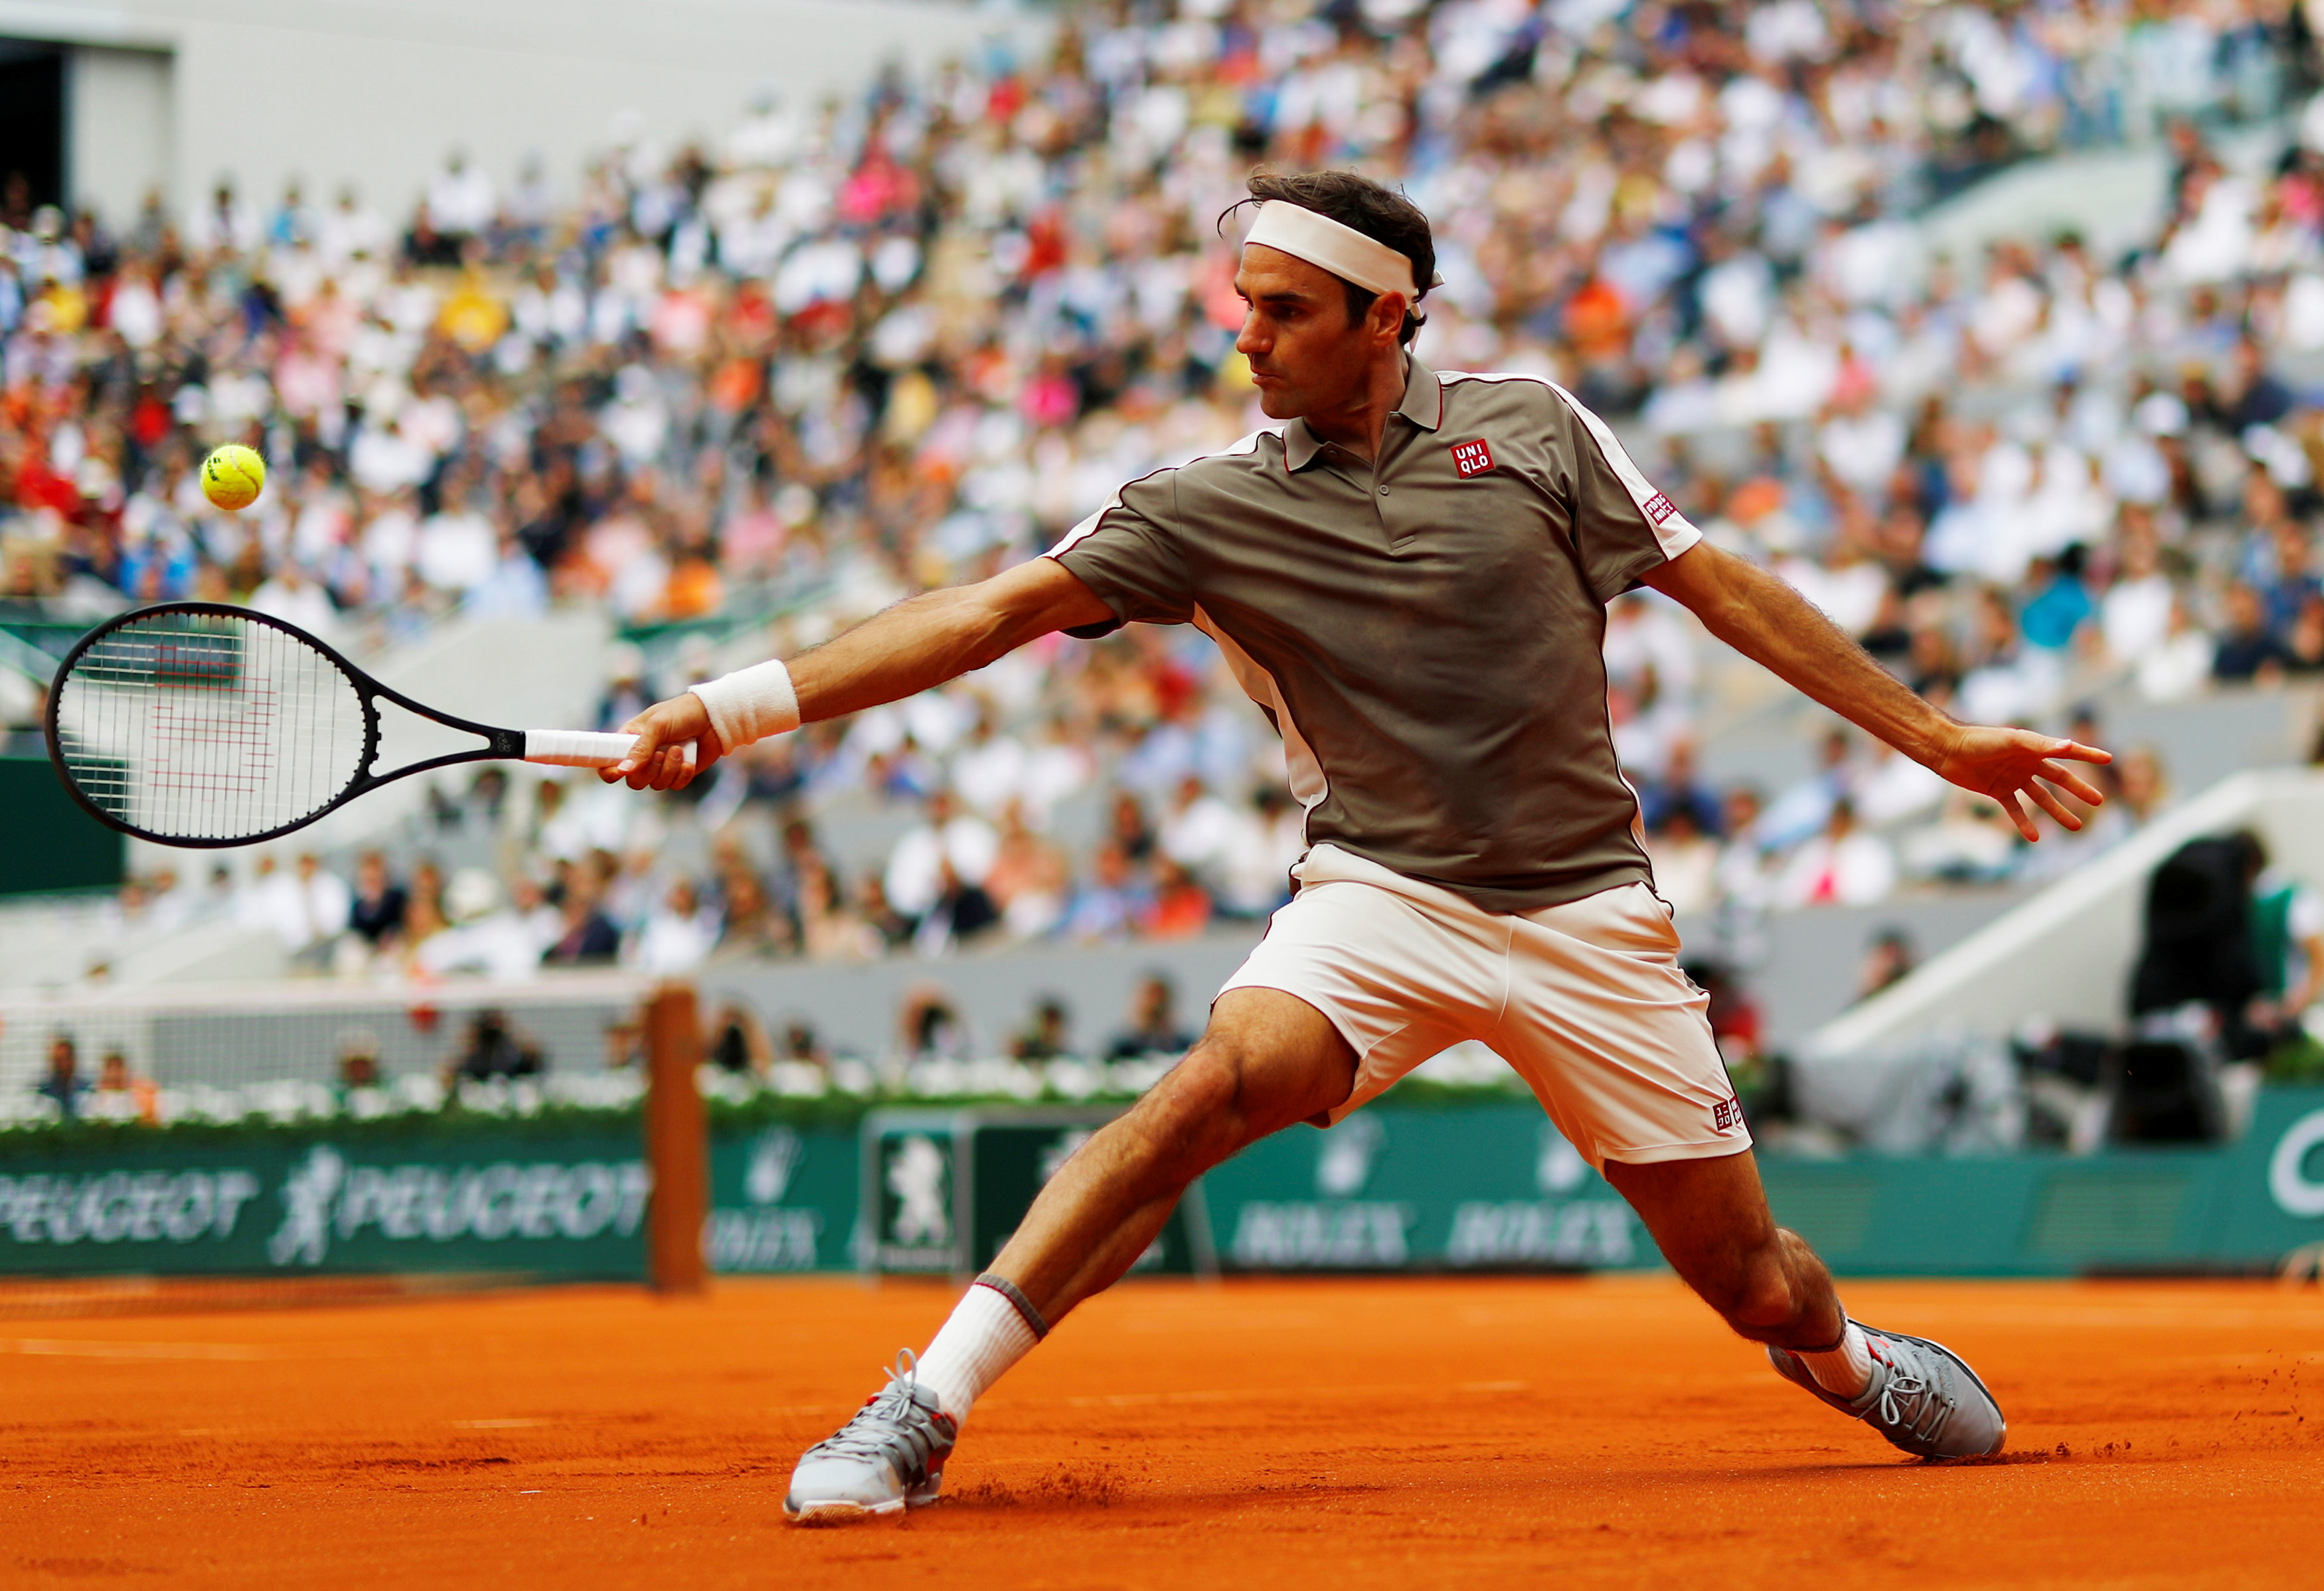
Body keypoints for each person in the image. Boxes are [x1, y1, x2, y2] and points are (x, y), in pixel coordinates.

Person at [605, 171, 2108, 1515]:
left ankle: (1843, 1362)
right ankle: (921, 1408)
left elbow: (1722, 590)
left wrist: (1940, 740)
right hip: (1380, 897)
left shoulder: (1533, 426)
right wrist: (727, 707)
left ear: (1386, 318)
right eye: (1239, 309)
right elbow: (985, 615)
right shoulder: (1200, 507)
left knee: (1755, 1286)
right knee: (1206, 1087)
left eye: (1280, 311)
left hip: (1591, 917)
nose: (1244, 341)